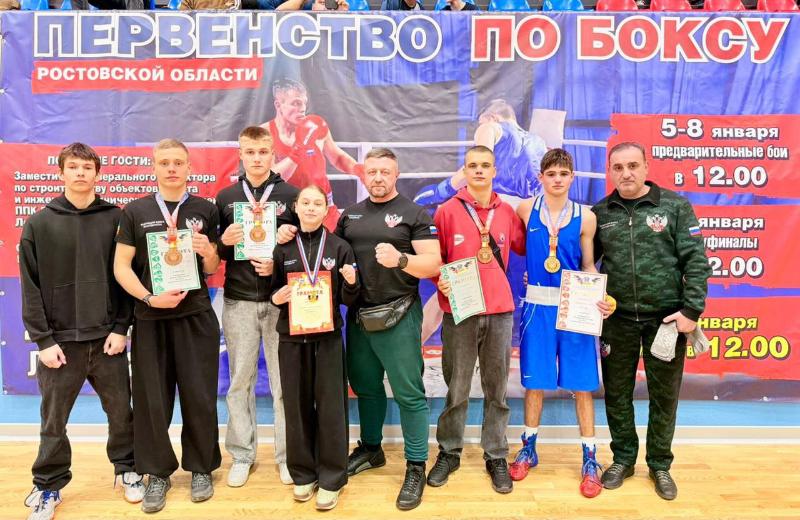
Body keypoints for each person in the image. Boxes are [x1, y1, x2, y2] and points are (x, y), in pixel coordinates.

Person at [277, 147, 441, 510]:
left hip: (398, 313)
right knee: (365, 388)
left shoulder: (414, 213)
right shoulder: (349, 215)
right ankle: (371, 448)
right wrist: (288, 230)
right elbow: (322, 248)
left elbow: (433, 263)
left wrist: (401, 259)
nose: (378, 177)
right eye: (372, 171)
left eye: (385, 171)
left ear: (396, 175)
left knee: (409, 393)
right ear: (363, 175)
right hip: (357, 315)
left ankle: (416, 465)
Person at [20, 143, 141, 520]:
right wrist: (43, 340)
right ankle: (48, 486)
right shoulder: (39, 223)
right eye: (73, 167)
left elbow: (126, 278)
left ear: (97, 174)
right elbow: (30, 287)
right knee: (53, 422)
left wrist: (121, 327)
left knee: (122, 414)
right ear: (61, 173)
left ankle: (127, 469)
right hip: (60, 345)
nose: (80, 173)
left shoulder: (116, 219)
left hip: (107, 341)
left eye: (87, 167)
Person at [592, 142, 711, 501]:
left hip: (667, 320)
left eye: (632, 165)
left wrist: (691, 312)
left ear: (646, 167)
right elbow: (583, 263)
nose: (626, 173)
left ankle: (660, 464)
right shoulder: (600, 213)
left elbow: (696, 261)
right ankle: (623, 459)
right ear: (610, 172)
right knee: (617, 394)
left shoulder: (674, 207)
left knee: (663, 397)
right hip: (617, 320)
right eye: (618, 167)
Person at [114, 139, 222, 514]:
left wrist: (209, 251)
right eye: (165, 162)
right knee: (152, 402)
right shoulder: (135, 211)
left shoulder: (206, 209)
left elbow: (213, 268)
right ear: (155, 167)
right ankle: (157, 473)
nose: (172, 168)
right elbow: (121, 266)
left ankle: (202, 468)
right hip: (151, 318)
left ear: (189, 167)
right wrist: (148, 297)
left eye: (178, 162)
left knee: (199, 396)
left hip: (196, 316)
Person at [509, 148, 613, 499]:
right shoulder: (526, 209)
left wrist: (598, 294)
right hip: (537, 308)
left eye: (563, 174)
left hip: (574, 307)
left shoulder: (586, 217)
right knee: (534, 383)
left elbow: (588, 265)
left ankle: (590, 457)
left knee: (582, 385)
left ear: (572, 177)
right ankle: (528, 448)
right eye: (550, 173)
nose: (557, 179)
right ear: (540, 177)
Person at [427, 146, 524, 494]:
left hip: (499, 311)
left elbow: (526, 246)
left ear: (495, 171)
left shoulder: (507, 212)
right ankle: (449, 451)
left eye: (485, 165)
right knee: (456, 388)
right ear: (465, 171)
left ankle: (496, 454)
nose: (479, 171)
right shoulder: (446, 211)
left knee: (497, 390)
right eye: (473, 166)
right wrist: (438, 278)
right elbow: (433, 258)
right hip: (460, 312)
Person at [216, 126, 300, 487]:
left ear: (272, 154)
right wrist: (223, 240)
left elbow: (305, 251)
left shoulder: (292, 195)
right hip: (238, 300)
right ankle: (242, 455)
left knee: (284, 383)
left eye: (263, 152)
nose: (256, 158)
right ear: (240, 154)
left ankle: (287, 456)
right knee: (239, 382)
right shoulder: (225, 197)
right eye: (249, 152)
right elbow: (217, 254)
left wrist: (280, 257)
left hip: (280, 301)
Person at [270, 185, 360, 511]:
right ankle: (303, 474)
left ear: (326, 209)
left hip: (328, 339)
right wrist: (276, 297)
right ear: (296, 207)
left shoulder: (339, 247)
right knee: (296, 406)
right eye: (305, 202)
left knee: (331, 407)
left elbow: (349, 299)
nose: (310, 208)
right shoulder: (282, 247)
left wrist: (351, 282)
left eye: (317, 203)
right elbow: (270, 291)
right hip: (291, 338)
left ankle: (332, 478)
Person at [261, 78, 364, 231]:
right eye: (296, 103)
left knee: (337, 243)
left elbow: (337, 157)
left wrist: (358, 169)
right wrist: (299, 149)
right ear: (278, 105)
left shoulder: (315, 126)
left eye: (304, 103)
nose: (302, 108)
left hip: (324, 209)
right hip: (288, 212)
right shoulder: (264, 134)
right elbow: (268, 180)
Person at [414, 98, 548, 210]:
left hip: (496, 208)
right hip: (532, 210)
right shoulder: (539, 142)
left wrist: (441, 191)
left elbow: (478, 168)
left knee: (431, 206)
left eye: (481, 123)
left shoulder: (491, 127)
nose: (479, 127)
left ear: (492, 117)